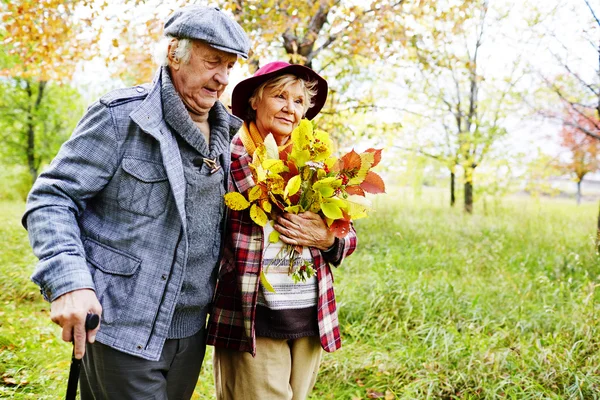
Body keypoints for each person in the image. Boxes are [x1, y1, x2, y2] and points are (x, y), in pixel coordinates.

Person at [22, 5, 250, 399]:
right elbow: (51, 198)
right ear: (174, 54)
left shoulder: (230, 135)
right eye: (213, 61)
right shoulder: (121, 117)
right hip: (123, 326)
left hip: (191, 331)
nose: (222, 78)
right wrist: (69, 282)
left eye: (229, 66)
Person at [206, 61, 358, 400]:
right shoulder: (228, 156)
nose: (290, 108)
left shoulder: (318, 163)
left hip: (308, 317)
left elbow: (349, 237)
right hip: (252, 317)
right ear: (255, 101)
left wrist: (328, 237)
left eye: (299, 101)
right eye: (279, 97)